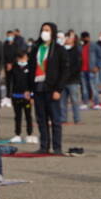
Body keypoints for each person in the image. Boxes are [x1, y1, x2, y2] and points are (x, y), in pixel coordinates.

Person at [30, 22, 68, 154]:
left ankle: (57, 147)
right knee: (41, 119)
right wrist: (29, 89)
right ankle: (44, 146)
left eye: (47, 30)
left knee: (55, 120)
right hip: (38, 87)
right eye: (43, 30)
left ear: (53, 32)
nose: (44, 32)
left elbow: (64, 71)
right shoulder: (36, 48)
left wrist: (59, 89)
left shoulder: (58, 49)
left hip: (52, 88)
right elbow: (30, 69)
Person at [9, 50, 35, 143]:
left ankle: (29, 134)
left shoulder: (30, 68)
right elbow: (10, 82)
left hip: (27, 97)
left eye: (24, 58)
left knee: (28, 116)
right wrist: (10, 95)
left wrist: (32, 96)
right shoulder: (14, 68)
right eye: (20, 58)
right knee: (17, 116)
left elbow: (32, 83)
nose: (23, 59)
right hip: (16, 96)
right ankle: (17, 134)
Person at [58, 31, 81, 124]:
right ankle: (63, 118)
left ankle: (77, 118)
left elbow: (78, 65)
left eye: (69, 37)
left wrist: (68, 74)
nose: (67, 39)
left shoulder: (76, 51)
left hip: (73, 80)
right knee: (62, 101)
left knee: (75, 100)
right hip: (62, 81)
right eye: (66, 37)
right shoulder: (61, 50)